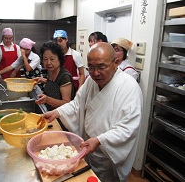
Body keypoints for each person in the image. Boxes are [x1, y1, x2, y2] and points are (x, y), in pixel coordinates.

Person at [43, 42, 143, 182]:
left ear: (116, 62)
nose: (95, 73)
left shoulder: (129, 87)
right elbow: (77, 104)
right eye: (91, 67)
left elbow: (128, 127)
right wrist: (57, 112)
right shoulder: (91, 82)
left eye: (101, 67)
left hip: (109, 154)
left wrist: (99, 140)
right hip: (89, 148)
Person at [33, 40, 75, 111]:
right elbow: (55, 85)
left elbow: (67, 103)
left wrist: (47, 100)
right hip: (50, 111)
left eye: (52, 59)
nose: (48, 62)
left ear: (59, 59)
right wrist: (43, 80)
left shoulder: (64, 77)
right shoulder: (51, 71)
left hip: (61, 116)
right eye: (45, 59)